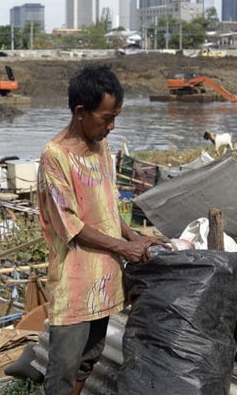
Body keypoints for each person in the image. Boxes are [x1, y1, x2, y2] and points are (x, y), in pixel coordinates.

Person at [36, 64, 161, 395]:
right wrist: (123, 248)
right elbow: (70, 226)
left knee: (88, 361)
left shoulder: (103, 148)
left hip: (104, 279)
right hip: (74, 283)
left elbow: (106, 208)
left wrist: (134, 236)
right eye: (106, 118)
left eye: (115, 117)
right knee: (62, 370)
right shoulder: (55, 156)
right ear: (81, 112)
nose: (111, 126)